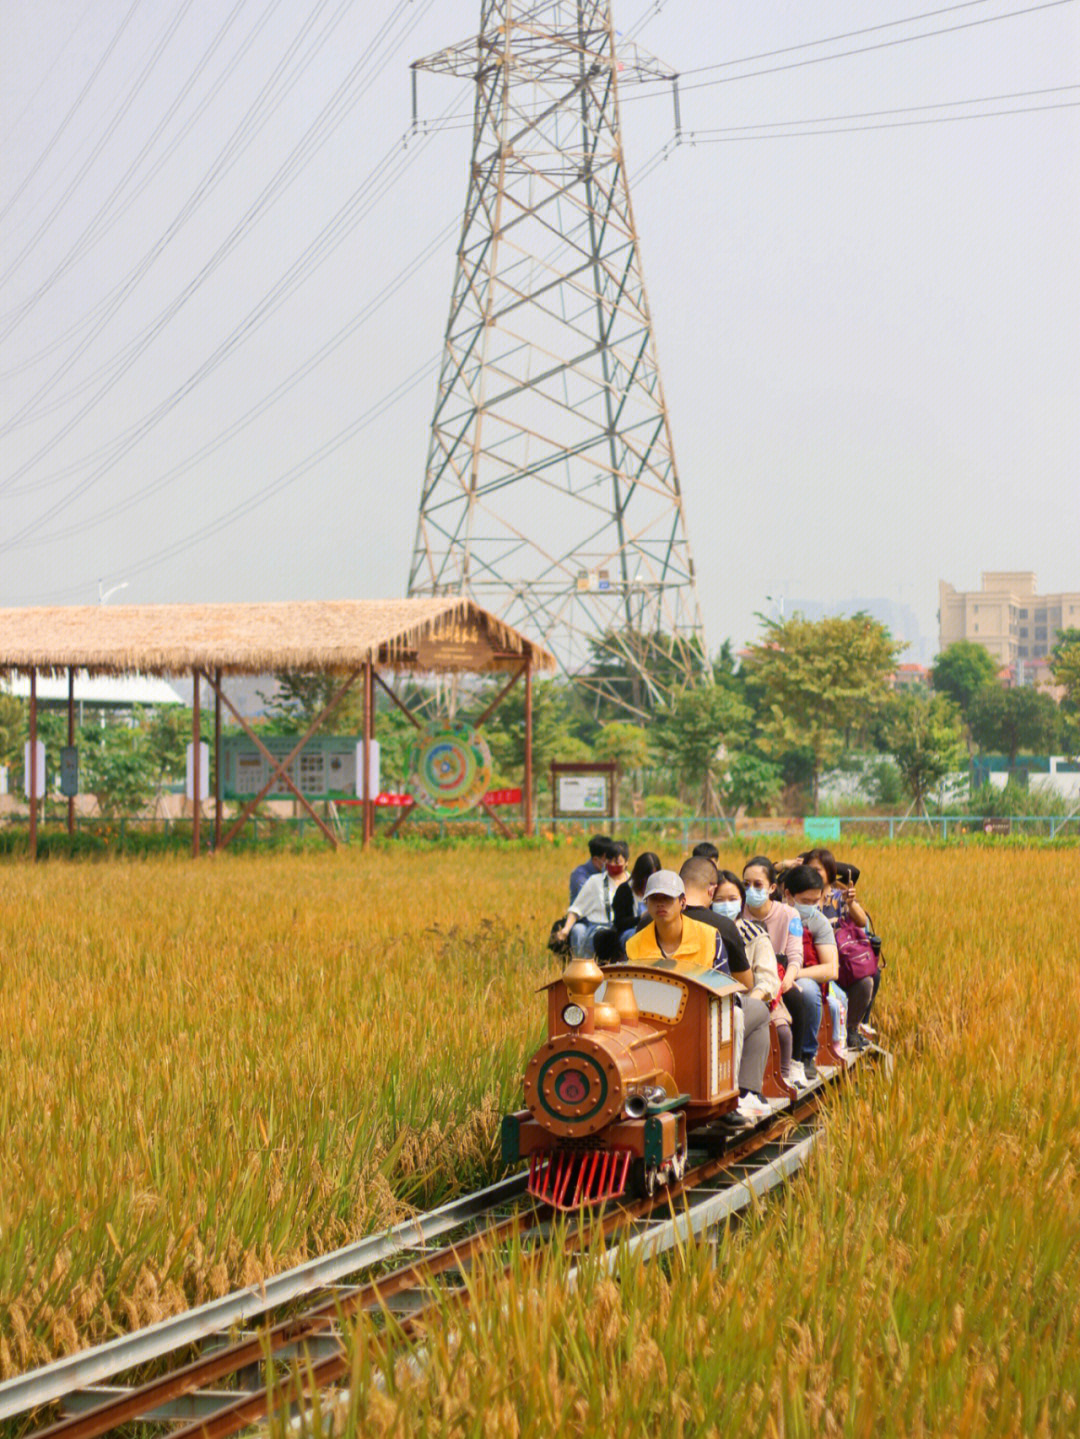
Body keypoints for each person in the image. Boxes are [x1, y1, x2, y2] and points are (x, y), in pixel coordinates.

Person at [673, 858, 772, 1121]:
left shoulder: (648, 924)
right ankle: (742, 1091)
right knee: (755, 1011)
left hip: (664, 1010)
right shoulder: (723, 927)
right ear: (711, 890)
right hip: (708, 1012)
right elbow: (745, 983)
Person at [713, 868, 797, 1090]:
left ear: (741, 903)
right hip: (712, 1005)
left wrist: (751, 1000)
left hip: (748, 1001)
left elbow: (769, 979)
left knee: (775, 1028)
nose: (725, 905)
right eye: (719, 900)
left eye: (732, 899)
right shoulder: (701, 931)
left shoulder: (753, 934)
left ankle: (751, 1088)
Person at [741, 856, 811, 1087]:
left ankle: (796, 1062)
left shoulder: (789, 915)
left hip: (780, 974)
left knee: (797, 998)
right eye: (746, 884)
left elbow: (795, 954)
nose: (751, 890)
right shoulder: (738, 914)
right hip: (748, 976)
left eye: (758, 885)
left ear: (772, 887)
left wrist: (788, 979)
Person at [781, 864, 839, 1080]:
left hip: (799, 977)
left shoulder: (819, 922)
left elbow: (831, 968)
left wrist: (794, 975)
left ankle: (806, 1054)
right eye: (806, 902)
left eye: (816, 901)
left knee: (806, 990)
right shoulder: (778, 913)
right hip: (772, 973)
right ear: (788, 895)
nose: (812, 906)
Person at [556, 840, 628, 956]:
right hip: (598, 931)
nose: (613, 865)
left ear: (626, 862)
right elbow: (577, 909)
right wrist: (565, 930)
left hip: (622, 930)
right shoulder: (595, 881)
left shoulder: (632, 883)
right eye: (609, 861)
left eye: (617, 861)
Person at [613, 850, 662, 942]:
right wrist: (640, 918)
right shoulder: (625, 890)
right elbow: (619, 922)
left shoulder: (661, 891)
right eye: (647, 877)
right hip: (630, 932)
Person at [569, 835, 614, 904]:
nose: (612, 863)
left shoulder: (609, 873)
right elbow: (593, 900)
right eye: (608, 859)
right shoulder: (579, 875)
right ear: (595, 860)